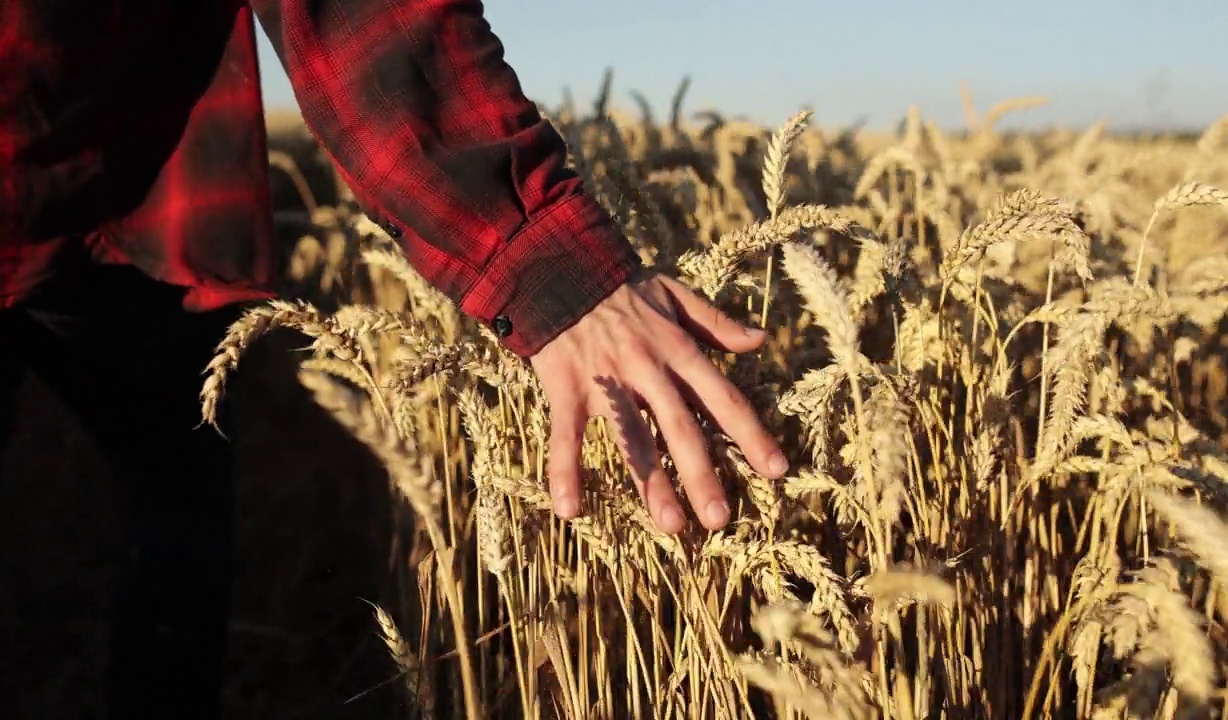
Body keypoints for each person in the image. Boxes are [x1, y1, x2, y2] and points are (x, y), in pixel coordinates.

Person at [0, 1, 788, 716]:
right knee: (174, 497)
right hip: (127, 189)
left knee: (174, 485)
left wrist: (548, 261)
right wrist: (538, 248)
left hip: (120, 196)